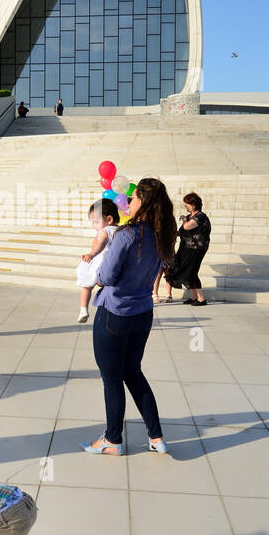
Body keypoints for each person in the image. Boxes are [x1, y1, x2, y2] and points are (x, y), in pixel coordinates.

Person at [82, 177, 176, 456]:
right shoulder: (163, 234)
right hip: (142, 313)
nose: (129, 202)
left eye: (134, 199)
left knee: (112, 378)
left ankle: (112, 440)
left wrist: (94, 273)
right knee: (133, 373)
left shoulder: (126, 234)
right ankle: (156, 437)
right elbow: (164, 265)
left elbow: (107, 276)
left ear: (143, 203)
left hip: (115, 313)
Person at [75, 198, 120, 323]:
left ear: (109, 219)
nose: (93, 225)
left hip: (99, 261)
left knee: (86, 287)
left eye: (96, 222)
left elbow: (101, 244)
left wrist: (92, 254)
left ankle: (83, 309)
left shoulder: (105, 231)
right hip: (113, 263)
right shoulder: (121, 230)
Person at [167, 192, 212, 306]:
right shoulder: (189, 217)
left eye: (187, 204)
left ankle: (201, 299)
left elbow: (187, 227)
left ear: (194, 205)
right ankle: (193, 297)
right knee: (184, 270)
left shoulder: (200, 216)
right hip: (186, 248)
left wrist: (183, 220)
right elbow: (182, 232)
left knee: (192, 271)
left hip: (197, 248)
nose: (185, 206)